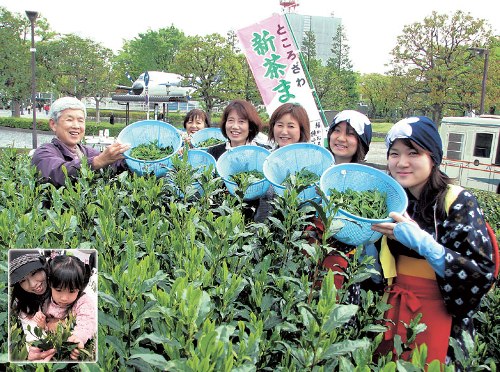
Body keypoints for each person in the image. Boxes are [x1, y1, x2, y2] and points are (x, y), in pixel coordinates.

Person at [371, 116, 495, 366]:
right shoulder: (392, 200)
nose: (401, 163)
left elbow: (481, 273)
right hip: (395, 309)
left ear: (433, 158)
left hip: (440, 313)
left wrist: (426, 246)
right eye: (394, 154)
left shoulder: (459, 201)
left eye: (413, 153)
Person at [309, 110, 374, 302]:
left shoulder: (367, 181)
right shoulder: (316, 170)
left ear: (361, 142)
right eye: (337, 131)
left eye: (350, 134)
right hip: (308, 257)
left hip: (345, 265)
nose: (341, 138)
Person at [31, 97, 130, 187]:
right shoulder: (43, 152)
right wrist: (98, 161)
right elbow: (56, 173)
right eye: (69, 120)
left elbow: (115, 166)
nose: (76, 126)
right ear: (53, 124)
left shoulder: (87, 152)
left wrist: (128, 159)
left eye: (80, 120)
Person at [33, 254, 96, 361]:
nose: (64, 298)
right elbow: (44, 320)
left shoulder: (82, 302)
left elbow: (87, 322)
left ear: (79, 288)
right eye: (58, 290)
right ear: (50, 284)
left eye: (72, 291)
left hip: (68, 344)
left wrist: (78, 338)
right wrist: (42, 323)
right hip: (51, 344)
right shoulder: (46, 298)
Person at [9, 250, 56, 362]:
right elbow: (33, 336)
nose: (33, 284)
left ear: (44, 267)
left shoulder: (62, 280)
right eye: (23, 280)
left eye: (34, 273)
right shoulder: (25, 304)